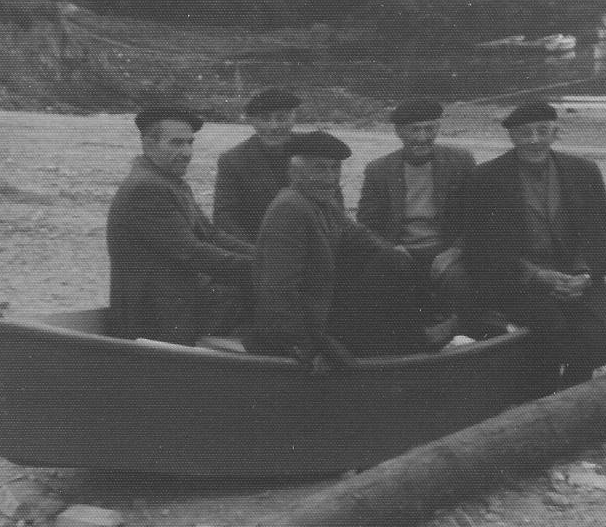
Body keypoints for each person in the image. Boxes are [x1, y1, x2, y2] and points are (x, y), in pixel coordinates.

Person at [460, 101, 606, 391]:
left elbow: (600, 231)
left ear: (557, 133)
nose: (534, 141)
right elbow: (485, 245)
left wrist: (586, 274)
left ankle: (570, 392)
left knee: (594, 336)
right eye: (524, 134)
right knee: (550, 329)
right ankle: (545, 392)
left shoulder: (583, 171)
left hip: (577, 273)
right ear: (512, 138)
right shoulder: (487, 178)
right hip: (519, 277)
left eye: (543, 131)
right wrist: (538, 276)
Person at [245, 131, 436, 364]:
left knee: (391, 261)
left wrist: (396, 254)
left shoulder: (322, 201)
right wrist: (310, 348)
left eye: (335, 169)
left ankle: (417, 335)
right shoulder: (290, 210)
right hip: (308, 326)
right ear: (295, 173)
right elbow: (278, 291)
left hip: (325, 307)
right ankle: (415, 343)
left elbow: (359, 235)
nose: (330, 178)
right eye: (320, 169)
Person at [106, 106, 254, 345]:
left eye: (189, 143)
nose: (187, 152)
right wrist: (260, 267)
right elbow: (192, 251)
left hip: (175, 299)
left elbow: (211, 235)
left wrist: (264, 256)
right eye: (176, 143)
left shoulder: (171, 182)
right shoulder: (146, 188)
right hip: (154, 313)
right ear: (148, 144)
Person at [358, 98, 476, 334]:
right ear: (399, 132)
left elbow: (478, 216)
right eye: (414, 130)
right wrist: (390, 249)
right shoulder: (379, 170)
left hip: (445, 248)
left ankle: (462, 335)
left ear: (438, 129)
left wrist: (456, 250)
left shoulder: (460, 161)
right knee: (381, 280)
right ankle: (406, 341)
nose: (422, 138)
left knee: (462, 278)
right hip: (401, 249)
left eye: (429, 129)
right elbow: (365, 226)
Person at [212, 88, 303, 241]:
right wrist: (258, 255)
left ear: (293, 119)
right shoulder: (233, 160)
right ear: (253, 122)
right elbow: (224, 218)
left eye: (281, 118)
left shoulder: (312, 151)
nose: (274, 127)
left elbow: (333, 210)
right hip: (255, 252)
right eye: (265, 119)